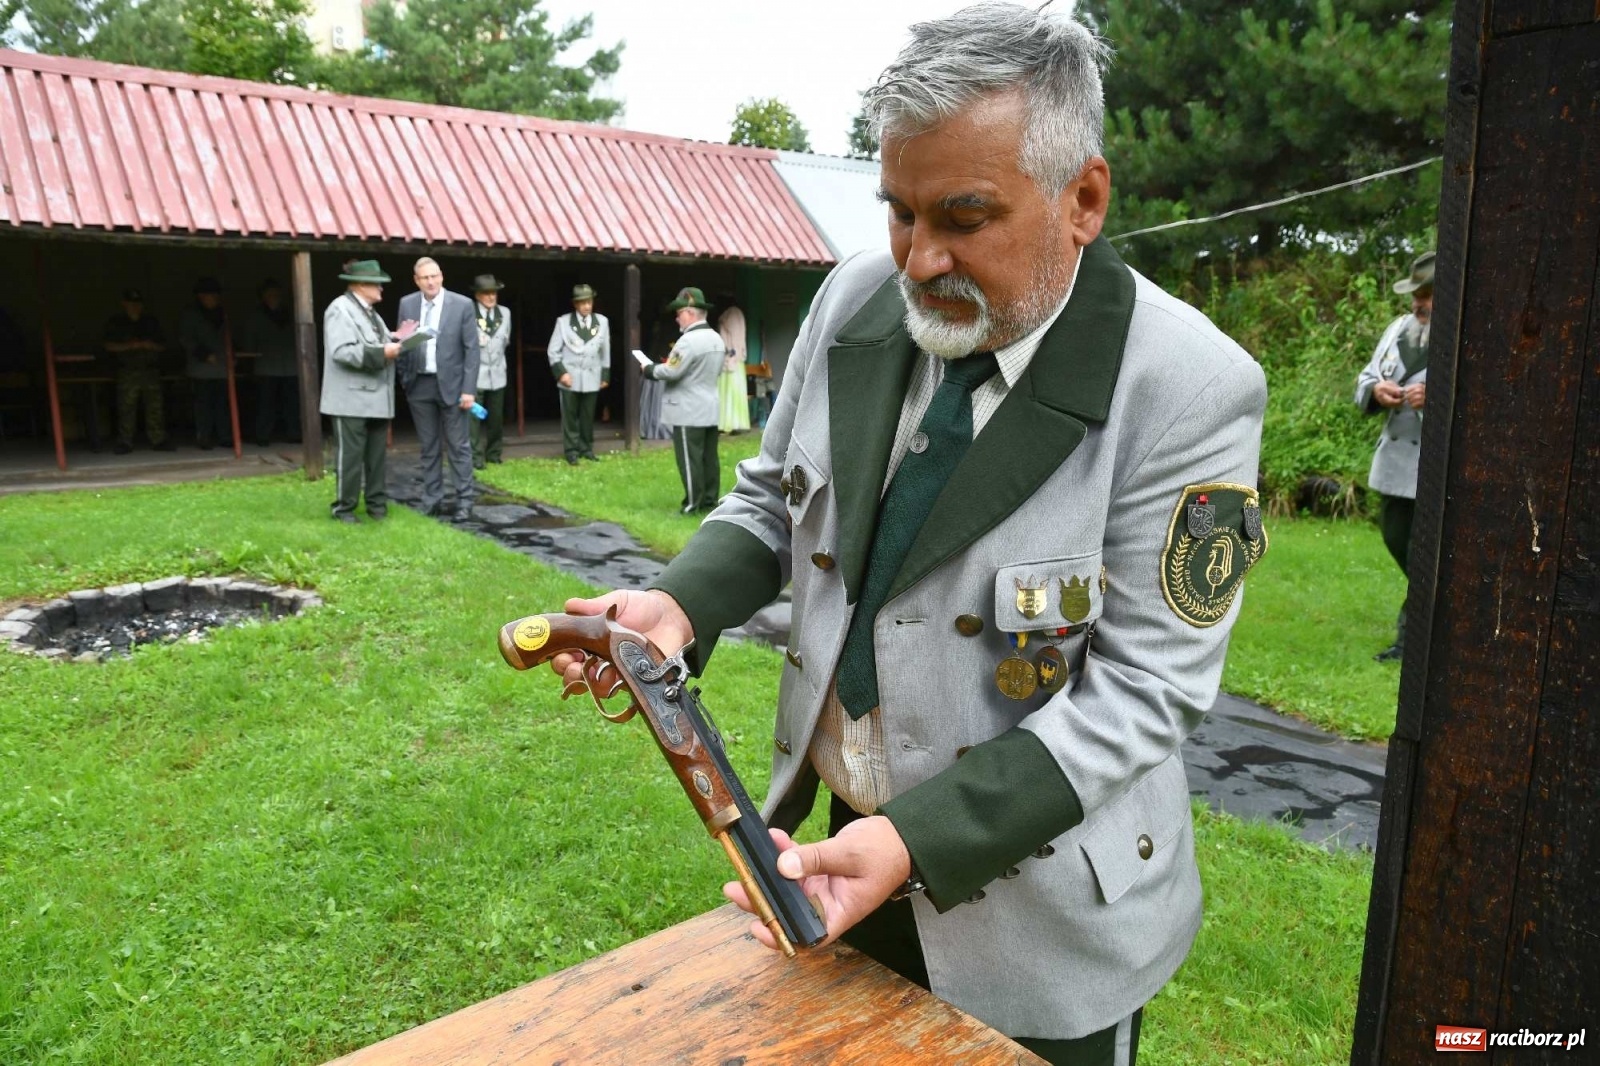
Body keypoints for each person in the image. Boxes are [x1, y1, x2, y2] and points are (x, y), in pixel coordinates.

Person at [547, 7, 1268, 1064]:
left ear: (1084, 199)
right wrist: (678, 603)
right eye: (897, 211)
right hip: (836, 840)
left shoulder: (1190, 387)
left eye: (964, 217)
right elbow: (771, 502)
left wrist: (917, 840)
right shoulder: (853, 299)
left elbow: (1147, 690)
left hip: (1041, 904)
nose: (919, 259)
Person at [1355, 250, 1432, 663]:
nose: (1419, 302)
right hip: (1396, 466)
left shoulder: (1466, 335)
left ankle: (1412, 638)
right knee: (1397, 539)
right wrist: (1375, 391)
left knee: (1426, 554)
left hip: (1434, 470)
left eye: (1428, 293)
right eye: (1416, 293)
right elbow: (1367, 377)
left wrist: (1432, 399)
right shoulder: (1398, 328)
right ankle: (1432, 620)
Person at [319, 260, 406, 524]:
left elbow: (372, 340)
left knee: (376, 458)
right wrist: (382, 352)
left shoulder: (369, 311)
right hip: (350, 398)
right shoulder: (339, 309)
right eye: (376, 283)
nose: (382, 288)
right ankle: (344, 509)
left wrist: (396, 337)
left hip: (376, 397)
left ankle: (377, 507)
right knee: (350, 459)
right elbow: (342, 351)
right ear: (359, 285)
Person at [398, 258, 480, 521]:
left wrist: (469, 389)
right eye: (425, 278)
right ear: (416, 280)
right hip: (419, 384)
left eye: (434, 276)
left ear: (442, 276)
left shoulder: (462, 304)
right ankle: (432, 499)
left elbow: (472, 350)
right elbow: (402, 342)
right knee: (428, 446)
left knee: (459, 446)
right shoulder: (407, 303)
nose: (430, 282)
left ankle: (464, 500)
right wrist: (405, 378)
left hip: (454, 386)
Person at [640, 287, 724, 513]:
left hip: (688, 409)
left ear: (690, 312)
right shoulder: (716, 338)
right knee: (709, 459)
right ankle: (709, 501)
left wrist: (648, 369)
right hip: (709, 405)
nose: (677, 317)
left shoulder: (687, 341)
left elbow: (671, 371)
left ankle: (691, 504)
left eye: (679, 312)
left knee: (689, 459)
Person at [547, 283, 610, 465]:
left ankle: (586, 448)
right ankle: (571, 450)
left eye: (589, 302)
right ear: (575, 304)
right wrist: (561, 374)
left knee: (588, 415)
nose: (587, 306)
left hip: (592, 374)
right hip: (570, 376)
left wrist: (605, 375)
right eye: (582, 303)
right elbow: (553, 351)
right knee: (570, 416)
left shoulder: (602, 322)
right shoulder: (563, 322)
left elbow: (606, 350)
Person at [103, 288, 172, 453]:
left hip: (150, 370)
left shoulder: (151, 323)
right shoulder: (116, 323)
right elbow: (108, 345)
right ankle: (125, 441)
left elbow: (163, 345)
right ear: (124, 304)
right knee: (126, 407)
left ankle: (158, 439)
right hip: (128, 371)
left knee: (155, 407)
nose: (134, 307)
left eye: (137, 303)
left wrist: (149, 345)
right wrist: (129, 346)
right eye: (131, 303)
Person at [247, 278, 300, 447]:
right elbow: (249, 342)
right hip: (266, 365)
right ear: (263, 296)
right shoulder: (255, 316)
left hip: (291, 366)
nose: (274, 297)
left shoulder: (292, 314)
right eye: (270, 294)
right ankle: (263, 436)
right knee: (265, 404)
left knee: (292, 403)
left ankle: (295, 433)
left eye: (276, 294)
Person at [179, 277, 230, 450]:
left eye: (216, 295)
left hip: (222, 367)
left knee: (222, 404)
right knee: (203, 405)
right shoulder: (190, 315)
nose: (214, 298)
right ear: (201, 296)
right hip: (201, 368)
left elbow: (229, 337)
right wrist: (204, 354)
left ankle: (225, 436)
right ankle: (204, 436)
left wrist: (233, 354)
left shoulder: (223, 313)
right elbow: (186, 339)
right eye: (210, 295)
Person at [470, 274, 512, 469]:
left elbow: (505, 341)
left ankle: (494, 454)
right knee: (474, 419)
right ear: (478, 295)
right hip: (476, 373)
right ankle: (475, 457)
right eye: (486, 293)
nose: (491, 297)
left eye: (494, 293)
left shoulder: (505, 313)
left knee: (496, 417)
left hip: (497, 372)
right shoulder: (468, 312)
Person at [716, 303, 752, 433]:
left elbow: (731, 335)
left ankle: (729, 423)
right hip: (738, 357)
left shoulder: (729, 315)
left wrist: (730, 352)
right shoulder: (739, 314)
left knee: (728, 391)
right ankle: (737, 423)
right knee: (737, 391)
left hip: (730, 356)